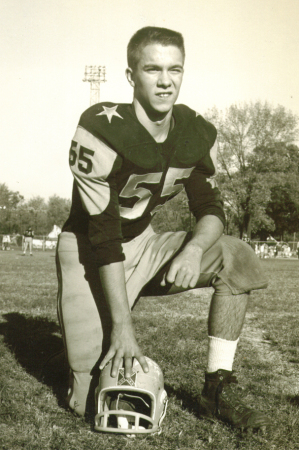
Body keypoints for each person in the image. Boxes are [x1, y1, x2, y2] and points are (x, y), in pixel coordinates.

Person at [56, 26, 269, 430]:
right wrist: (123, 328)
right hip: (87, 251)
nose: (166, 81)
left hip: (145, 242)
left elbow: (210, 207)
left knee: (236, 256)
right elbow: (103, 237)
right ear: (130, 76)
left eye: (175, 69)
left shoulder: (193, 130)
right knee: (87, 401)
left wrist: (192, 248)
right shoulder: (101, 130)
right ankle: (86, 341)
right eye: (152, 69)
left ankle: (216, 389)